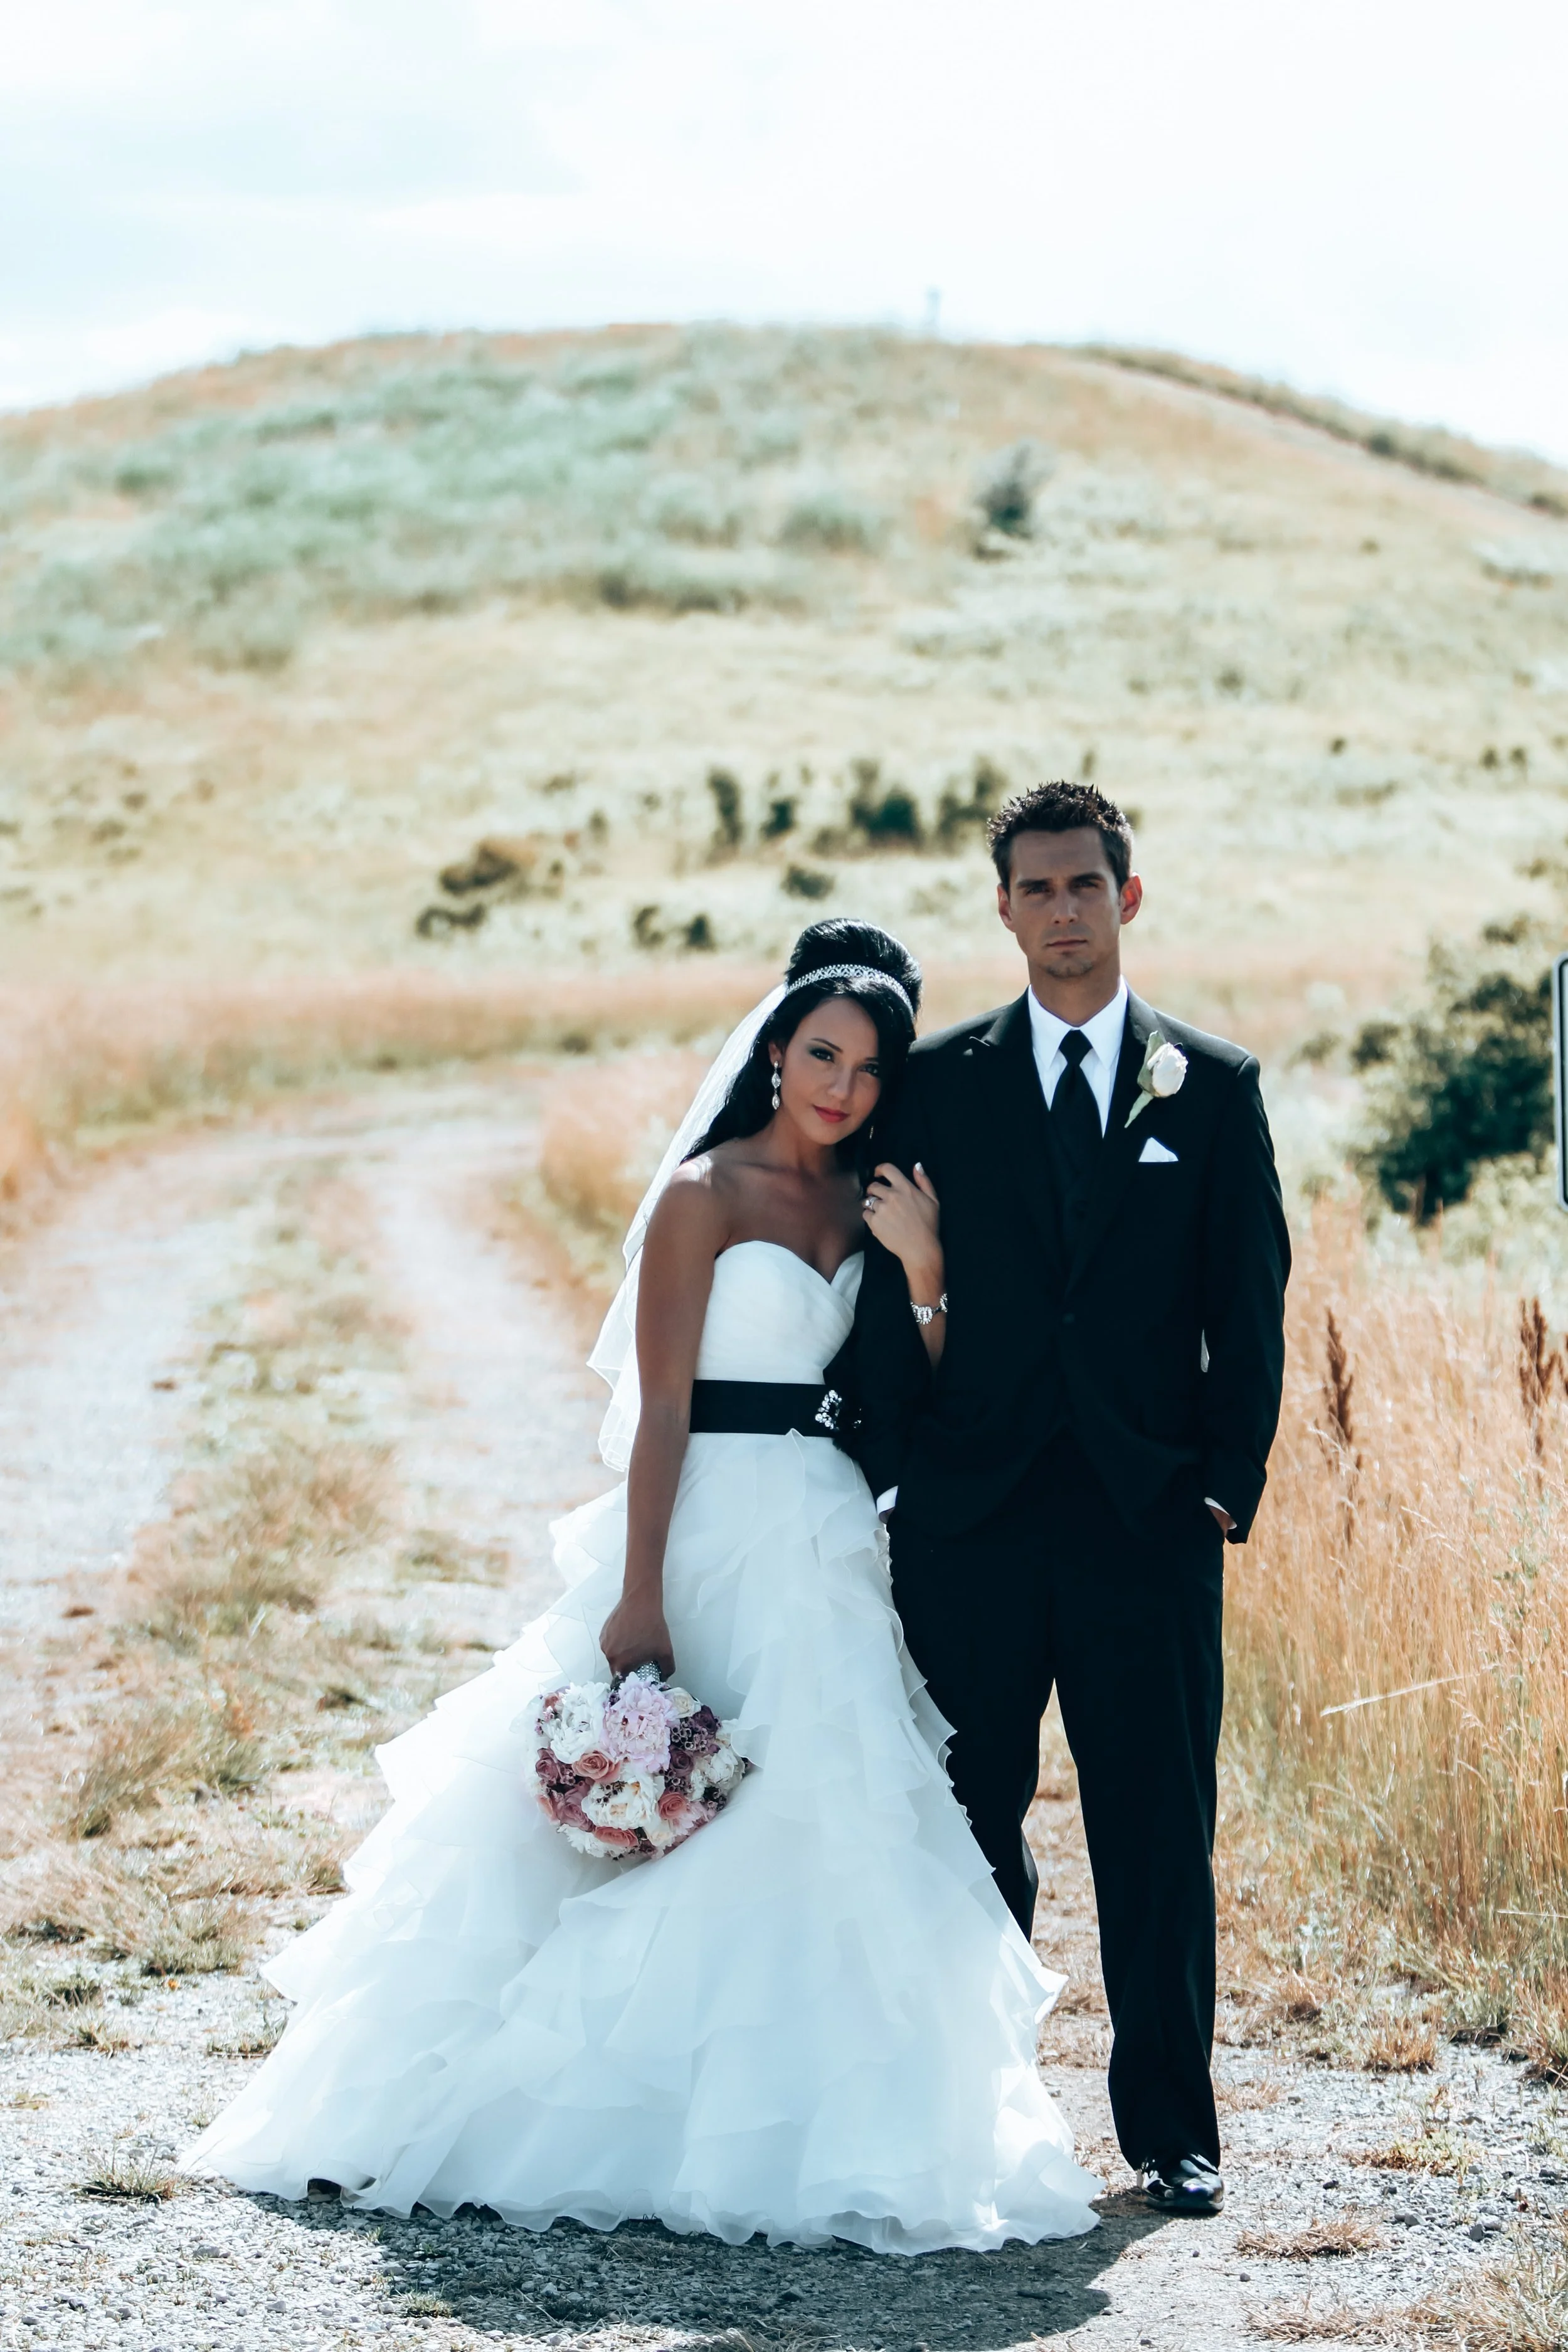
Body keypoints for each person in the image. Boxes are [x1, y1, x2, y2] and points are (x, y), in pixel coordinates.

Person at [182, 918, 1099, 2255]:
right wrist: (638, 1590)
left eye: (864, 1069)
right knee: (664, 1796)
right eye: (818, 1055)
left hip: (824, 1532)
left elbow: (929, 1379)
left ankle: (807, 2117)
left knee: (827, 1804)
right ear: (775, 1051)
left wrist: (925, 1273)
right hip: (710, 1515)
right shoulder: (703, 1196)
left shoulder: (876, 1203)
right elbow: (661, 1407)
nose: (839, 1087)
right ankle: (557, 2104)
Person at [852, 783, 1290, 2218]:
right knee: (971, 1821)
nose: (1059, 913)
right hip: (969, 1521)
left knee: (1155, 1831)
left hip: (1147, 1523)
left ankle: (1170, 2130)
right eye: (1033, 890)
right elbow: (883, 1290)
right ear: (1001, 910)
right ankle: (979, 2120)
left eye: (1082, 888)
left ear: (1127, 897)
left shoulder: (1209, 1089)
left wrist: (1224, 1488)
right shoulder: (939, 1081)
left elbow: (1251, 1306)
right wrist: (899, 1463)